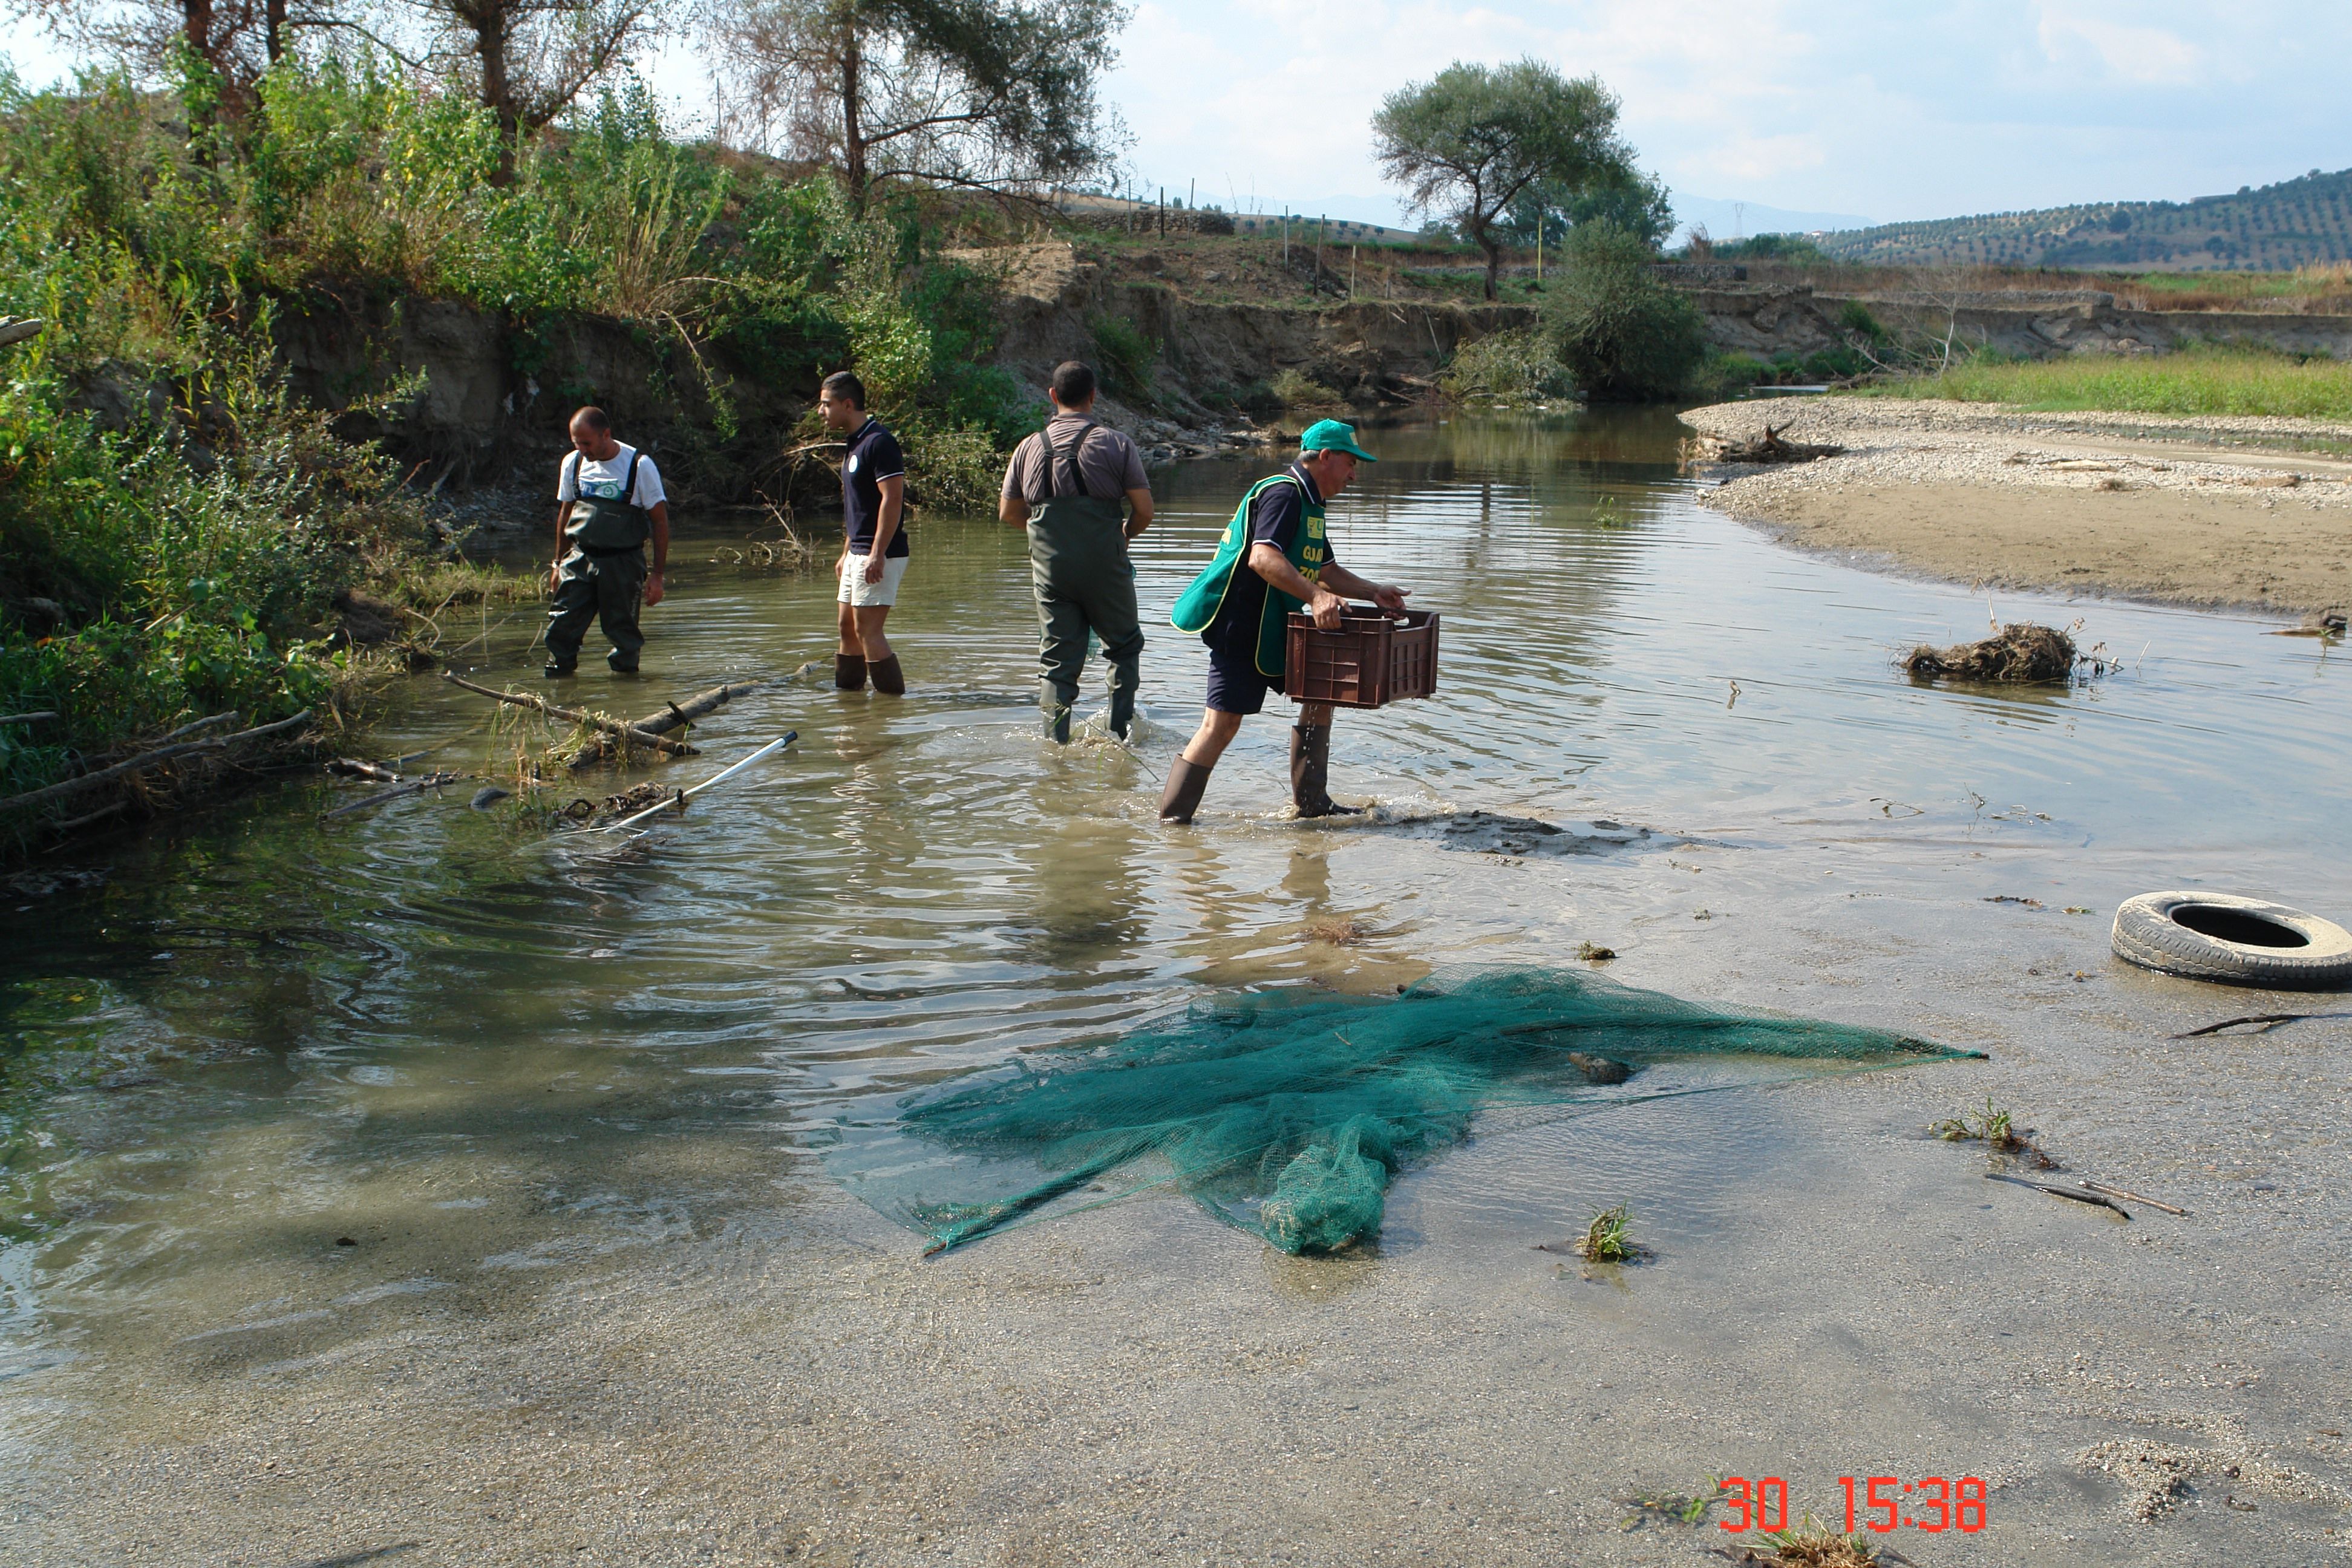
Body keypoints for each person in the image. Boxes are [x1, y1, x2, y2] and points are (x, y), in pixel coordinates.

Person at [1160, 419, 1410, 823]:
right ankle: (1173, 822)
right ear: (1325, 457)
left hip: (1279, 625)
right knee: (1220, 727)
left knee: (1321, 696)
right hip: (1243, 626)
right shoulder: (1284, 493)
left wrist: (1373, 592)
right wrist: (1316, 596)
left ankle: (1313, 806)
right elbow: (1263, 558)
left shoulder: (1312, 502)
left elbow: (1325, 569)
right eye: (1350, 463)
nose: (1354, 474)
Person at [998, 361, 1154, 742]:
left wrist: (1048, 538)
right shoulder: (1117, 444)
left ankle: (1055, 744)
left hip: (1053, 571)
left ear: (1052, 396)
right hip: (1105, 566)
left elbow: (1008, 513)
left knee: (1056, 663)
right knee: (1123, 646)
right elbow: (1144, 511)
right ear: (1093, 396)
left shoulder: (1027, 448)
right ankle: (1119, 736)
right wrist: (1124, 534)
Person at [546, 406, 668, 678]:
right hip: (579, 559)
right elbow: (565, 514)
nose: (582, 450)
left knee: (623, 634)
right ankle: (557, 690)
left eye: (587, 443)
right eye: (577, 443)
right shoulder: (573, 462)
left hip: (623, 563)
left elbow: (660, 522)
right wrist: (557, 564)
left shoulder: (639, 466)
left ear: (606, 435)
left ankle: (626, 700)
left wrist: (657, 576)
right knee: (561, 628)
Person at [818, 371, 909, 694]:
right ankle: (849, 706)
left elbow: (892, 499)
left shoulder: (879, 442)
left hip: (882, 552)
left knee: (868, 631)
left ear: (848, 404)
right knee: (847, 629)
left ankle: (890, 708)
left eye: (826, 404)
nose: (821, 411)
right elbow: (859, 507)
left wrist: (877, 553)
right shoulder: (854, 443)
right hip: (859, 551)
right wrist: (847, 552)